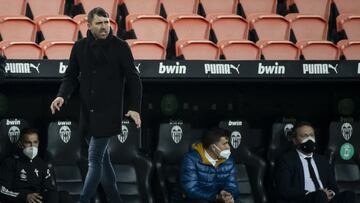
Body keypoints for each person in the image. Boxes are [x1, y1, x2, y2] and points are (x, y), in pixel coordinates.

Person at [49, 7, 142, 203]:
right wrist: (62, 96)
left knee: (94, 160)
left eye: (107, 22)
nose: (104, 26)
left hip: (108, 113)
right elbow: (71, 76)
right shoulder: (80, 47)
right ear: (89, 25)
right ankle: (115, 198)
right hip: (86, 113)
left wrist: (134, 108)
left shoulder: (120, 46)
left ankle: (83, 200)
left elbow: (134, 79)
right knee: (103, 161)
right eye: (99, 23)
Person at [275, 121, 357, 203]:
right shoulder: (286, 160)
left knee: (349, 195)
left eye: (311, 135)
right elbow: (284, 189)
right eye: (304, 136)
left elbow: (333, 187)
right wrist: (312, 194)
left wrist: (330, 194)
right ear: (295, 140)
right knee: (320, 195)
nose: (309, 139)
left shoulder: (323, 160)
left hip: (325, 199)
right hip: (303, 199)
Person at [0, 128, 72, 203]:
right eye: (28, 142)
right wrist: (25, 197)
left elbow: (49, 188)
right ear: (20, 144)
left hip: (37, 199)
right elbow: (2, 190)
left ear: (38, 143)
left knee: (63, 195)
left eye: (35, 142)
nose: (32, 146)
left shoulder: (42, 164)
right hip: (21, 199)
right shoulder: (10, 162)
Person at [180, 128, 240, 203]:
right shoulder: (190, 159)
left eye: (228, 143)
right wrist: (216, 197)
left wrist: (229, 195)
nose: (228, 147)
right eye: (225, 143)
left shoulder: (229, 160)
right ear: (213, 147)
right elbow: (190, 190)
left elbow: (233, 185)